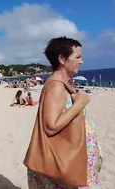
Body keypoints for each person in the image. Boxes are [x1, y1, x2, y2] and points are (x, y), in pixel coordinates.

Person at [24, 37, 102, 188]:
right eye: (78, 57)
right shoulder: (56, 86)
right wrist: (79, 103)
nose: (82, 61)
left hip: (71, 159)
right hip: (64, 163)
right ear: (62, 58)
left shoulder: (62, 83)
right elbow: (51, 126)